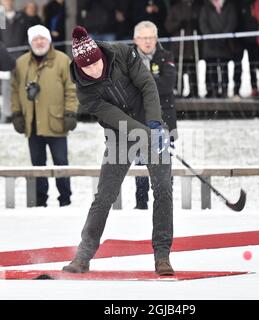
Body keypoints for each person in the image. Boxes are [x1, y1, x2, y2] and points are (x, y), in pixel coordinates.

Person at [62, 26, 174, 276]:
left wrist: (155, 123)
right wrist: (145, 133)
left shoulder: (121, 53)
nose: (94, 70)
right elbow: (116, 116)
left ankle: (162, 256)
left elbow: (147, 85)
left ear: (101, 55)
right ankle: (83, 256)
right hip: (118, 134)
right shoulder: (85, 91)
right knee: (104, 196)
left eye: (96, 64)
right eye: (87, 68)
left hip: (150, 121)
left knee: (163, 189)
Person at [11, 25, 78, 207]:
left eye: (43, 38)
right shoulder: (21, 62)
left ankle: (65, 199)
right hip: (32, 123)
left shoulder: (63, 60)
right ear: (30, 42)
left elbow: (71, 89)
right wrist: (16, 113)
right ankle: (39, 200)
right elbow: (15, 90)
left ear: (49, 40)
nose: (39, 42)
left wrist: (71, 112)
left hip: (57, 121)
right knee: (38, 165)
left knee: (61, 163)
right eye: (35, 39)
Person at [133, 20, 178, 210]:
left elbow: (167, 85)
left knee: (164, 165)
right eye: (144, 38)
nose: (148, 42)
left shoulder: (166, 56)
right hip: (138, 120)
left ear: (156, 38)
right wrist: (152, 83)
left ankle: (165, 204)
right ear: (136, 39)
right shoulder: (128, 59)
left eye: (151, 37)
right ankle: (141, 204)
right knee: (141, 165)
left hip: (164, 120)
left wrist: (142, 85)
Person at [199, 0, 238, 98]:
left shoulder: (229, 6)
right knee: (211, 68)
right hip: (210, 44)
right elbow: (203, 23)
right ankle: (212, 90)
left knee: (224, 68)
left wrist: (223, 37)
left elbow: (232, 22)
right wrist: (211, 37)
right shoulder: (206, 7)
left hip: (224, 44)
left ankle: (224, 90)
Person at [0, 0, 28, 123]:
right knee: (6, 86)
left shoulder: (21, 17)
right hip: (4, 57)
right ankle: (7, 113)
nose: (7, 2)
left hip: (20, 57)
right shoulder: (1, 17)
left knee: (22, 84)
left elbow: (27, 36)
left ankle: (22, 112)